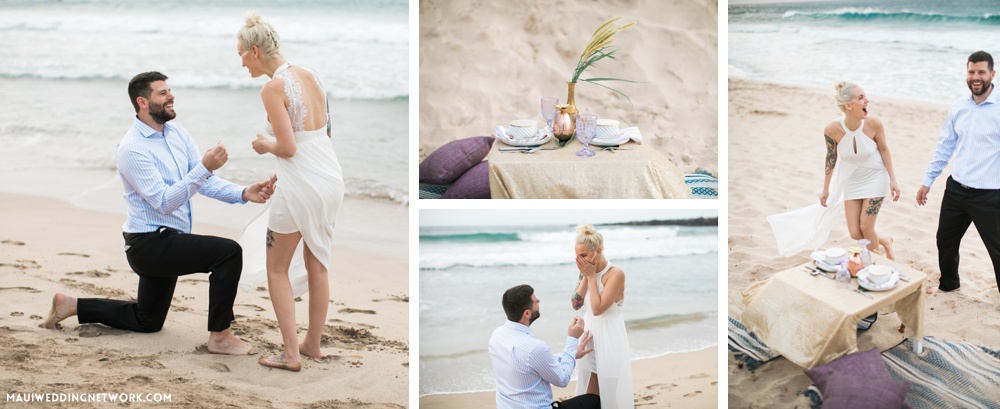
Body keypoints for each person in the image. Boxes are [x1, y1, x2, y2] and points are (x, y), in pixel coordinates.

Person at [40, 71, 274, 355]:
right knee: (227, 253)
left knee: (148, 320)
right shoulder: (132, 149)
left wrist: (243, 192)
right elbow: (164, 202)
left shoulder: (177, 133)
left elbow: (201, 180)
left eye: (169, 90)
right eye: (162, 93)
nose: (171, 96)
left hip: (169, 239)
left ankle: (72, 305)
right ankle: (220, 336)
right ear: (142, 101)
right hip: (148, 245)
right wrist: (205, 166)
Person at [235, 11, 346, 372]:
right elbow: (319, 137)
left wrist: (264, 144)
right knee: (318, 262)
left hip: (302, 185)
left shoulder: (271, 88)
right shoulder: (311, 74)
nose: (240, 62)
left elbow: (288, 147)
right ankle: (312, 344)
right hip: (329, 179)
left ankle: (291, 355)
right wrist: (281, 172)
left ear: (255, 51)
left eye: (240, 54)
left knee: (277, 269)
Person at [767, 82, 901, 258]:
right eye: (861, 98)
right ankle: (885, 240)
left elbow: (884, 149)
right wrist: (825, 189)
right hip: (852, 180)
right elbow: (831, 158)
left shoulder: (874, 124)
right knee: (855, 233)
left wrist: (893, 179)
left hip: (876, 177)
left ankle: (876, 265)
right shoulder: (832, 129)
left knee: (866, 227)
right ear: (849, 105)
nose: (867, 101)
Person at [916, 50, 1000, 294]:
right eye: (971, 71)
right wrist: (928, 181)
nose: (976, 77)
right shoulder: (958, 106)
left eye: (981, 72)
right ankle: (949, 284)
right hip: (956, 190)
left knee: (997, 252)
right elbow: (945, 147)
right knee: (945, 241)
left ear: (992, 74)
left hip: (990, 196)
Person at [489, 284, 599, 409]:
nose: (539, 300)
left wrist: (572, 354)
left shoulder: (497, 335)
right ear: (526, 313)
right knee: (594, 400)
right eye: (535, 301)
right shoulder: (534, 348)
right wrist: (572, 340)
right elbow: (562, 379)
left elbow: (532, 362)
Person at [570, 224, 634, 409]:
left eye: (584, 255)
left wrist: (590, 277)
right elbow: (576, 304)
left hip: (609, 335)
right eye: (577, 256)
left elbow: (598, 309)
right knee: (589, 387)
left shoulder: (615, 274)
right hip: (590, 333)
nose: (580, 260)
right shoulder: (585, 272)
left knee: (608, 389)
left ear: (597, 251)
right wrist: (584, 276)